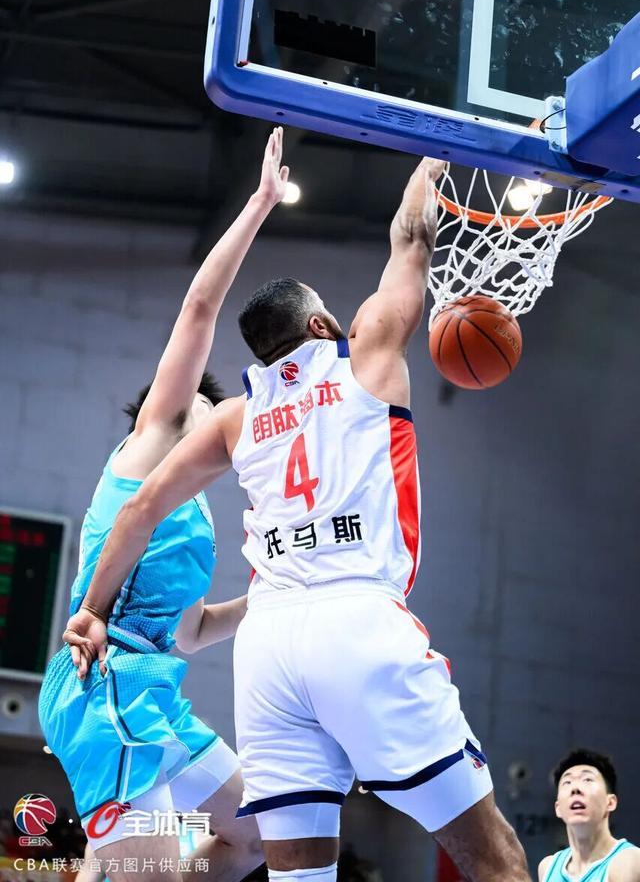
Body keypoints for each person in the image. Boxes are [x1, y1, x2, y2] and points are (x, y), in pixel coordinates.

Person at [62, 144, 532, 882]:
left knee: (289, 867)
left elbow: (142, 511)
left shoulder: (235, 419)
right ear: (320, 327)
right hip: (356, 621)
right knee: (492, 856)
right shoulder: (365, 353)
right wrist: (434, 159)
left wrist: (91, 608)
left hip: (268, 647)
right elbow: (411, 238)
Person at [39, 127, 291, 882]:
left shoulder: (195, 516)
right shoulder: (155, 437)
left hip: (154, 689)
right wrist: (260, 203)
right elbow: (200, 308)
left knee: (258, 837)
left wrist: (270, 592)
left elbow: (191, 630)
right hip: (104, 683)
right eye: (211, 409)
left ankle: (111, 865)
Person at [539, 749, 640, 882]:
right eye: (567, 782)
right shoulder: (547, 867)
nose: (575, 789)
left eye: (587, 779)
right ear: (558, 809)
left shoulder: (628, 861)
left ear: (610, 802)